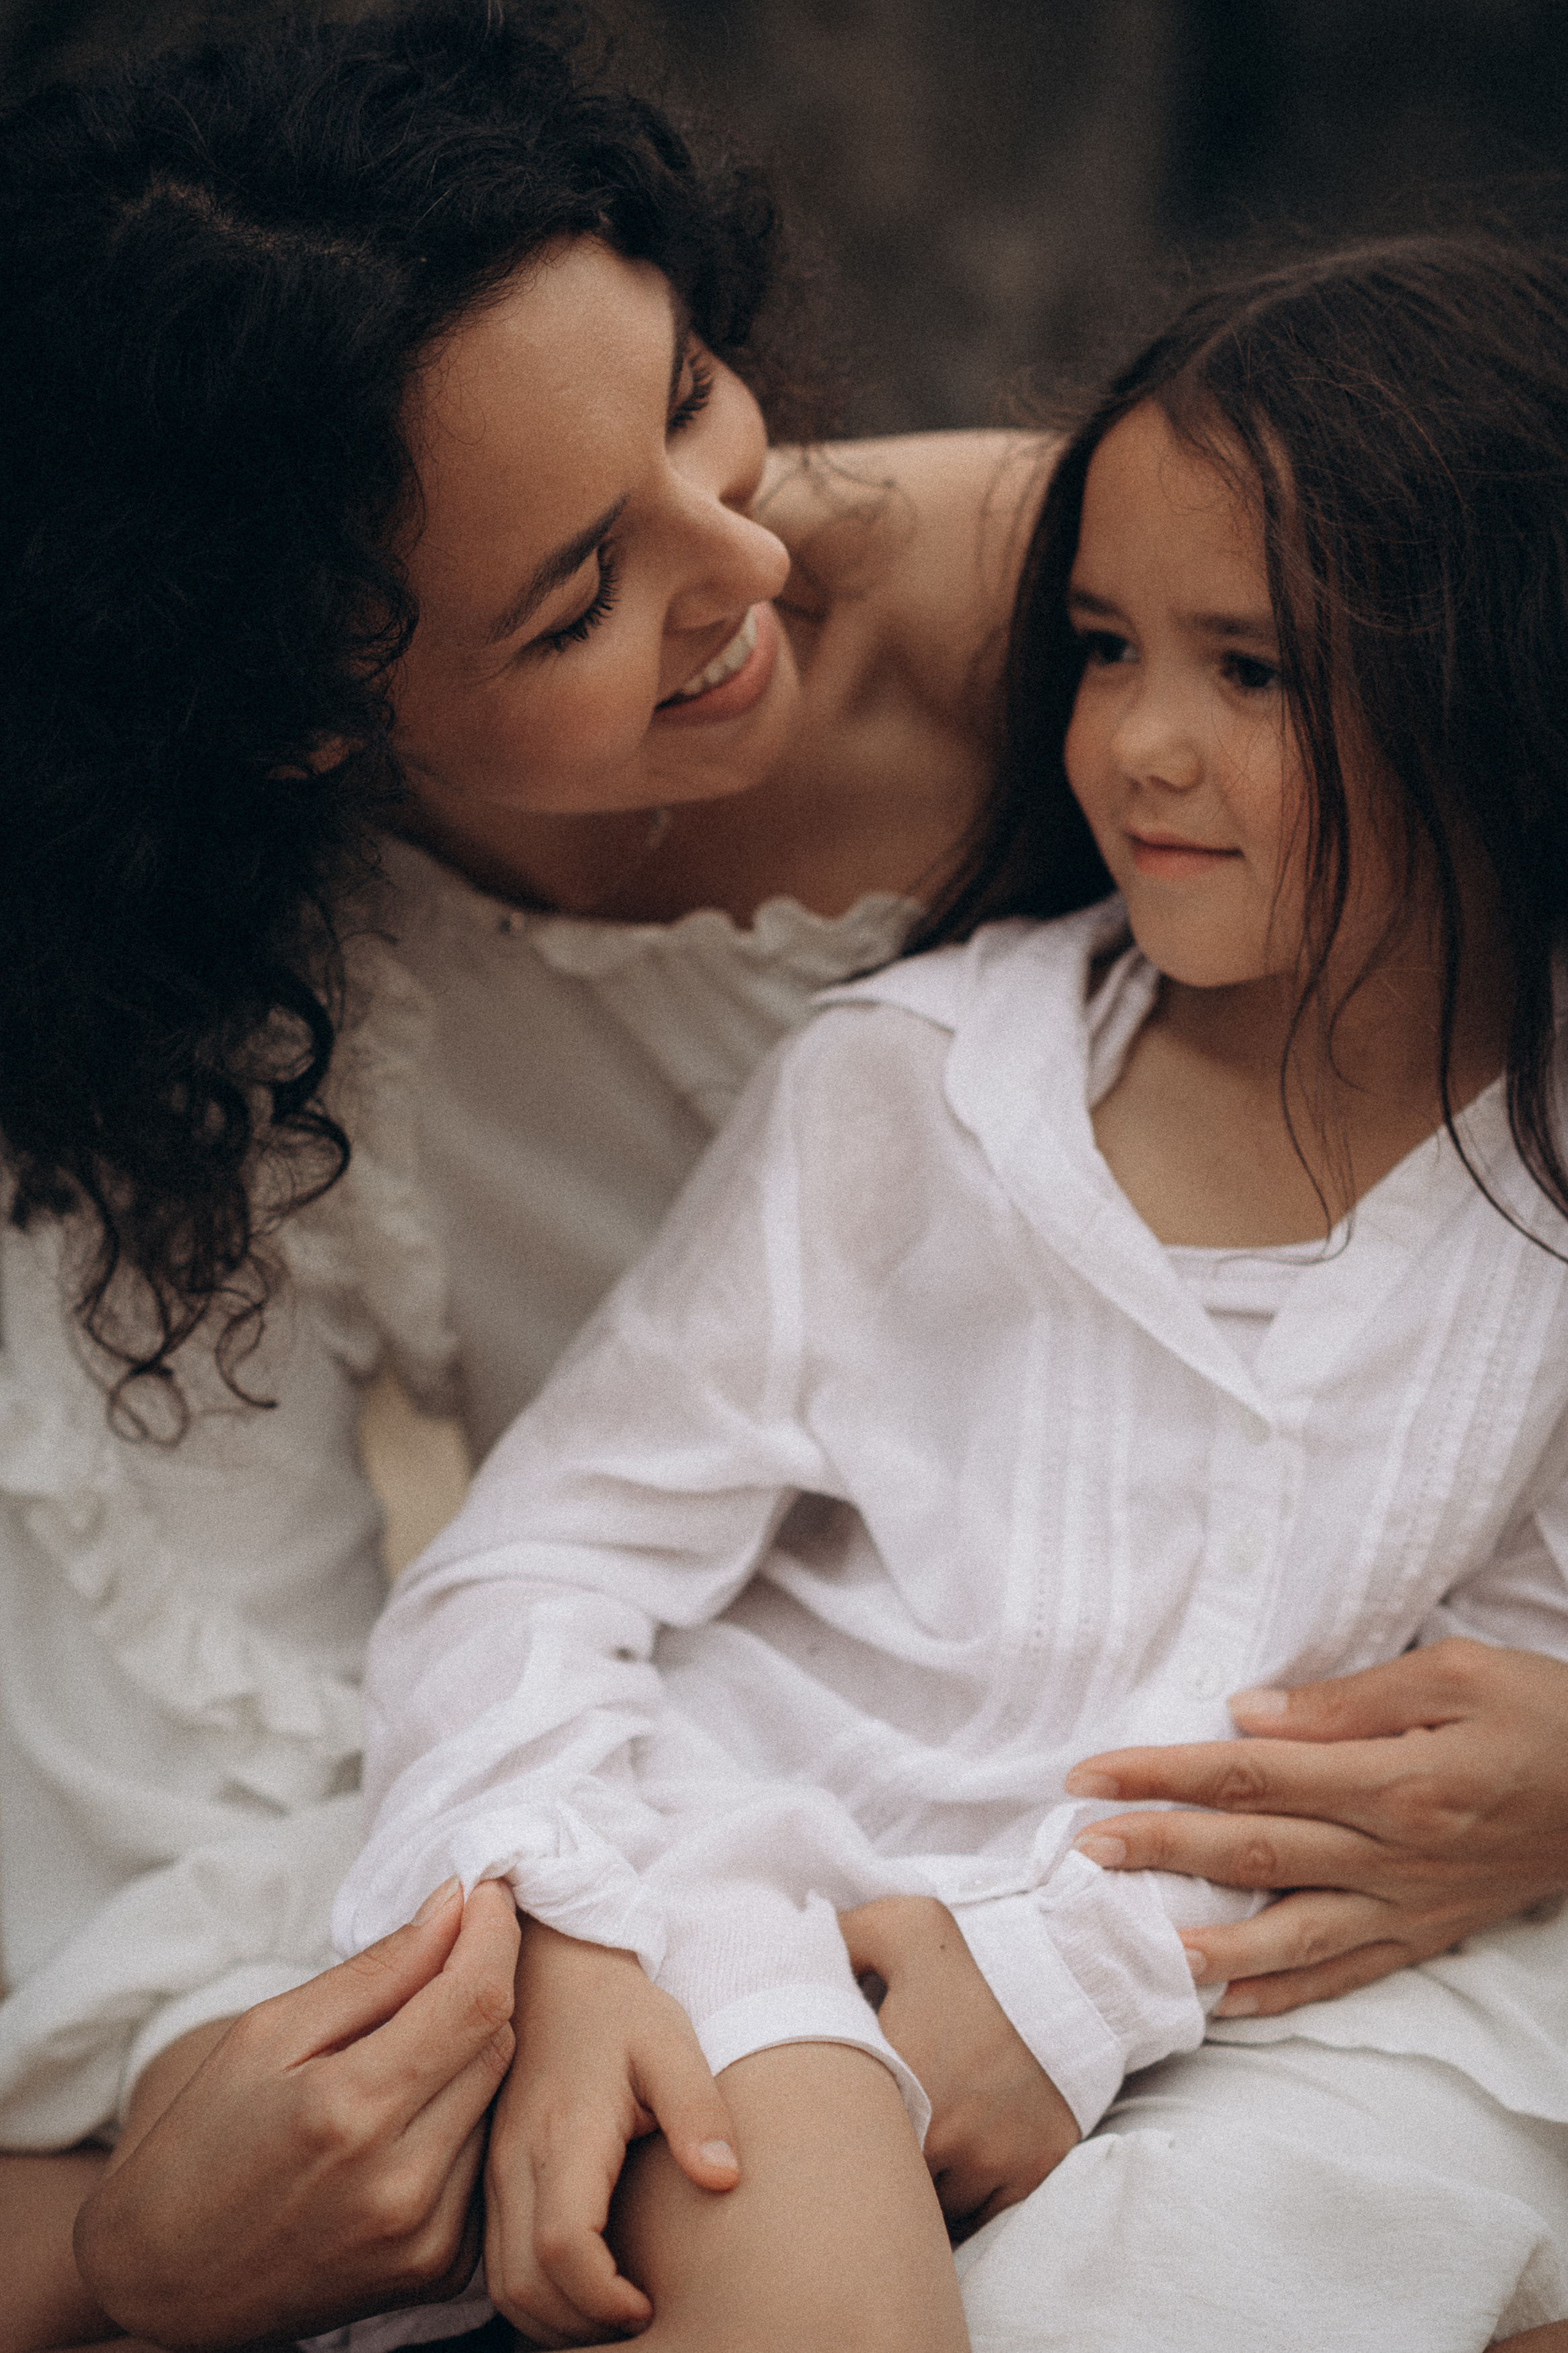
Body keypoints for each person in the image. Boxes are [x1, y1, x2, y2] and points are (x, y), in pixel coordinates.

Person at [0, 0, 1562, 2341]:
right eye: (573, 598)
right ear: (305, 710)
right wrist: (530, 1941)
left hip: (1303, 1926)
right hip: (751, 1843)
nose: (758, 549)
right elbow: (389, 1705)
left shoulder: (1239, 550)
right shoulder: (229, 1049)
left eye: (699, 394)